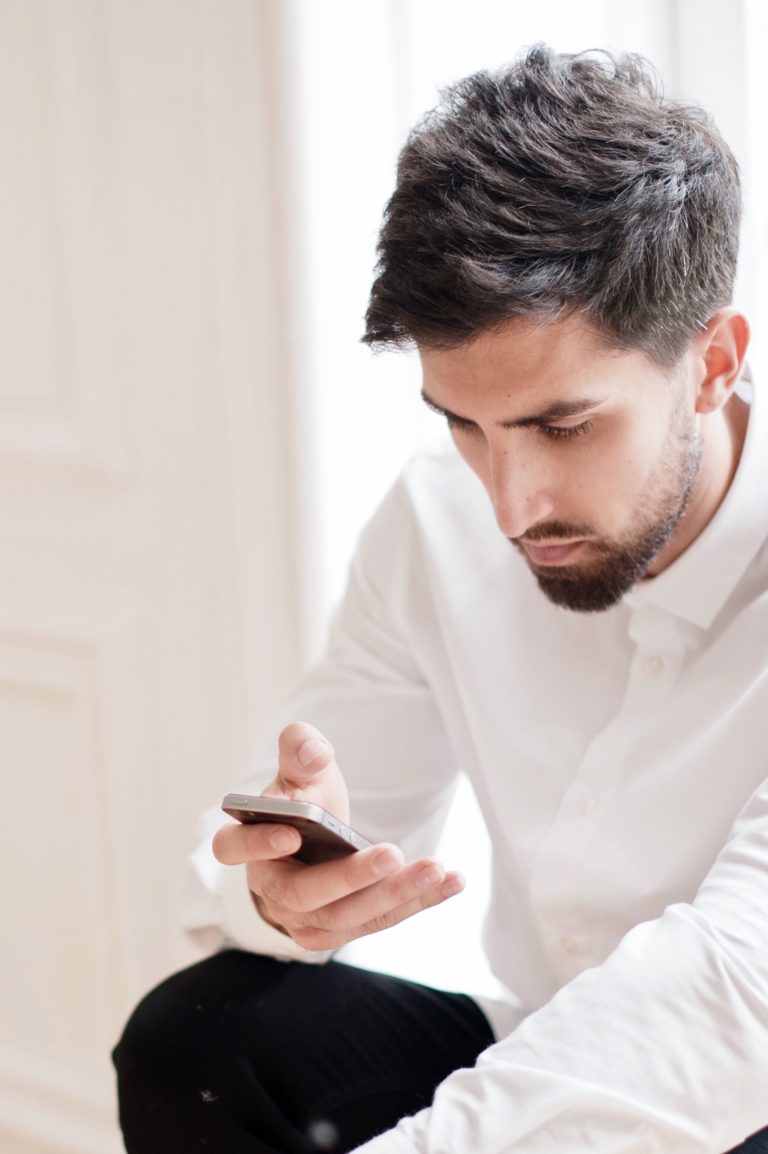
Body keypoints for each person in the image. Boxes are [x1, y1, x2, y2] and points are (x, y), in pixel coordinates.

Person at [113, 44, 768, 1154]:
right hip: (546, 1039)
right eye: (465, 423)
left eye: (565, 426)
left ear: (713, 362)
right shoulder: (436, 518)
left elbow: (733, 988)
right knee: (202, 1041)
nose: (511, 504)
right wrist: (291, 893)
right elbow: (323, 830)